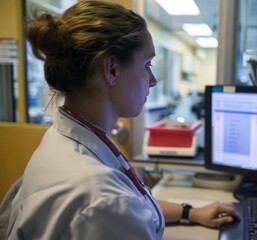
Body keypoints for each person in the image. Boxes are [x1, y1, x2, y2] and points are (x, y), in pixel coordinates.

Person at [6, 1, 239, 239]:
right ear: (112, 69)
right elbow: (116, 203)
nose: (153, 80)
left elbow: (135, 203)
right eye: (147, 65)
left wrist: (190, 212)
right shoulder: (101, 198)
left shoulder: (64, 138)